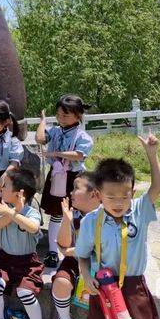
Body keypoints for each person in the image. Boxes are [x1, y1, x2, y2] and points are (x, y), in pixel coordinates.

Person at [75, 132, 160, 319]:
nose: (118, 203)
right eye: (111, 197)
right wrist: (86, 276)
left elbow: (157, 187)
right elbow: (82, 255)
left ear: (133, 193)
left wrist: (152, 155)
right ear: (98, 195)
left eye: (124, 197)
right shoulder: (90, 222)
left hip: (134, 288)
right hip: (103, 287)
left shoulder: (139, 211)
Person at [0, 169, 47, 319]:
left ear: (19, 193)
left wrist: (14, 213)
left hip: (27, 262)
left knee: (25, 292)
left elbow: (33, 227)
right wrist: (11, 211)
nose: (2, 188)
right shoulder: (3, 208)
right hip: (5, 259)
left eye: (6, 186)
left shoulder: (32, 212)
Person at [37, 93, 94, 268]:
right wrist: (43, 121)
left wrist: (55, 153)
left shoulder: (82, 136)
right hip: (57, 176)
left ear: (78, 115)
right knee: (56, 213)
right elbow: (40, 138)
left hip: (74, 179)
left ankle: (77, 249)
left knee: (77, 213)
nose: (60, 118)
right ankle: (53, 251)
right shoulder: (55, 131)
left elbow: (79, 155)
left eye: (65, 115)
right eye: (58, 114)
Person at [51, 171, 99, 319]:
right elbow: (63, 246)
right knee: (61, 282)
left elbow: (100, 249)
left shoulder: (106, 216)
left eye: (76, 188)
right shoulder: (74, 214)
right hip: (74, 261)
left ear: (93, 194)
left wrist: (73, 250)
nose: (70, 192)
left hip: (101, 264)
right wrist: (66, 219)